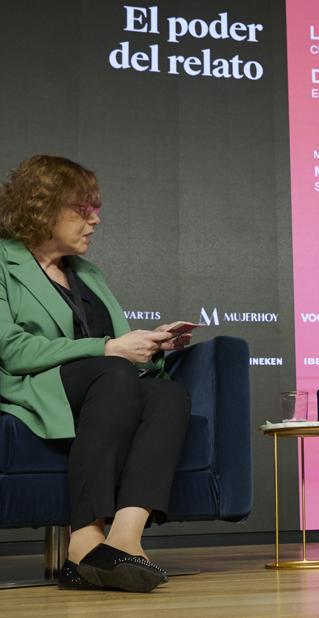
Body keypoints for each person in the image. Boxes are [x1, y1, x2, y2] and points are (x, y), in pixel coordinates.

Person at [0, 155, 192, 592]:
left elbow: (118, 345)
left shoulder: (88, 273)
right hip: (32, 384)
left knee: (168, 396)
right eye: (84, 209)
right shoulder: (2, 262)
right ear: (42, 206)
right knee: (114, 375)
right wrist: (109, 349)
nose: (96, 220)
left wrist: (151, 346)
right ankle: (84, 541)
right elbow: (11, 350)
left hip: (105, 384)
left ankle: (126, 539)